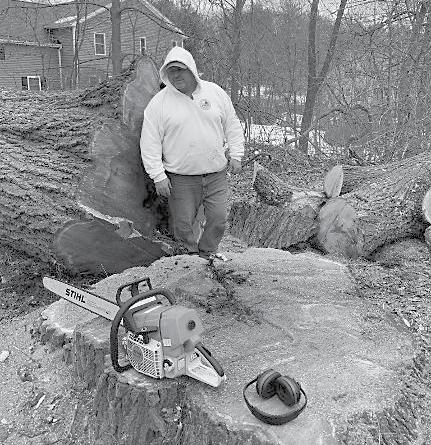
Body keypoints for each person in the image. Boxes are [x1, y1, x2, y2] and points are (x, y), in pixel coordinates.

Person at [140, 46, 244, 259]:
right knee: (183, 224)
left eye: (180, 69)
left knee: (218, 219)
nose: (176, 75)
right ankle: (189, 260)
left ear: (191, 69)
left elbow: (232, 124)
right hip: (181, 179)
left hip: (216, 174)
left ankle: (207, 254)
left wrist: (236, 154)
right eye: (171, 71)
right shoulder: (159, 103)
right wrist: (158, 176)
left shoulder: (214, 93)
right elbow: (149, 143)